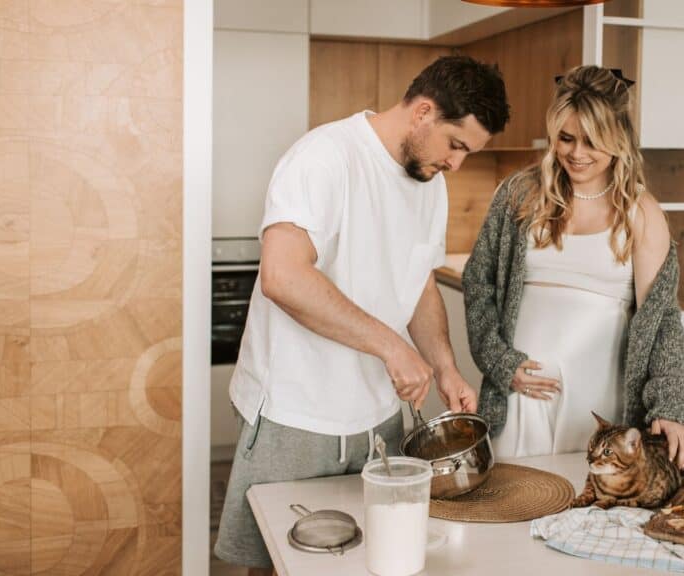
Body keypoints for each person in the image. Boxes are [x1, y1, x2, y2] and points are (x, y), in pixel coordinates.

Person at [214, 55, 510, 574]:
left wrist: (442, 365)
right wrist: (392, 346)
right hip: (295, 410)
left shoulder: (431, 184)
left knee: (375, 557)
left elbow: (417, 284)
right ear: (422, 111)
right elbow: (283, 277)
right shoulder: (325, 157)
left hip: (378, 417)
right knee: (279, 562)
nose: (457, 164)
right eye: (456, 145)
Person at [462, 65, 684, 467]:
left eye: (592, 141)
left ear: (619, 139)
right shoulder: (519, 195)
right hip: (521, 398)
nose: (576, 154)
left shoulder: (642, 213)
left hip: (599, 410)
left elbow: (662, 320)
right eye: (566, 138)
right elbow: (478, 283)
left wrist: (671, 404)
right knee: (510, 505)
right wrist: (502, 364)